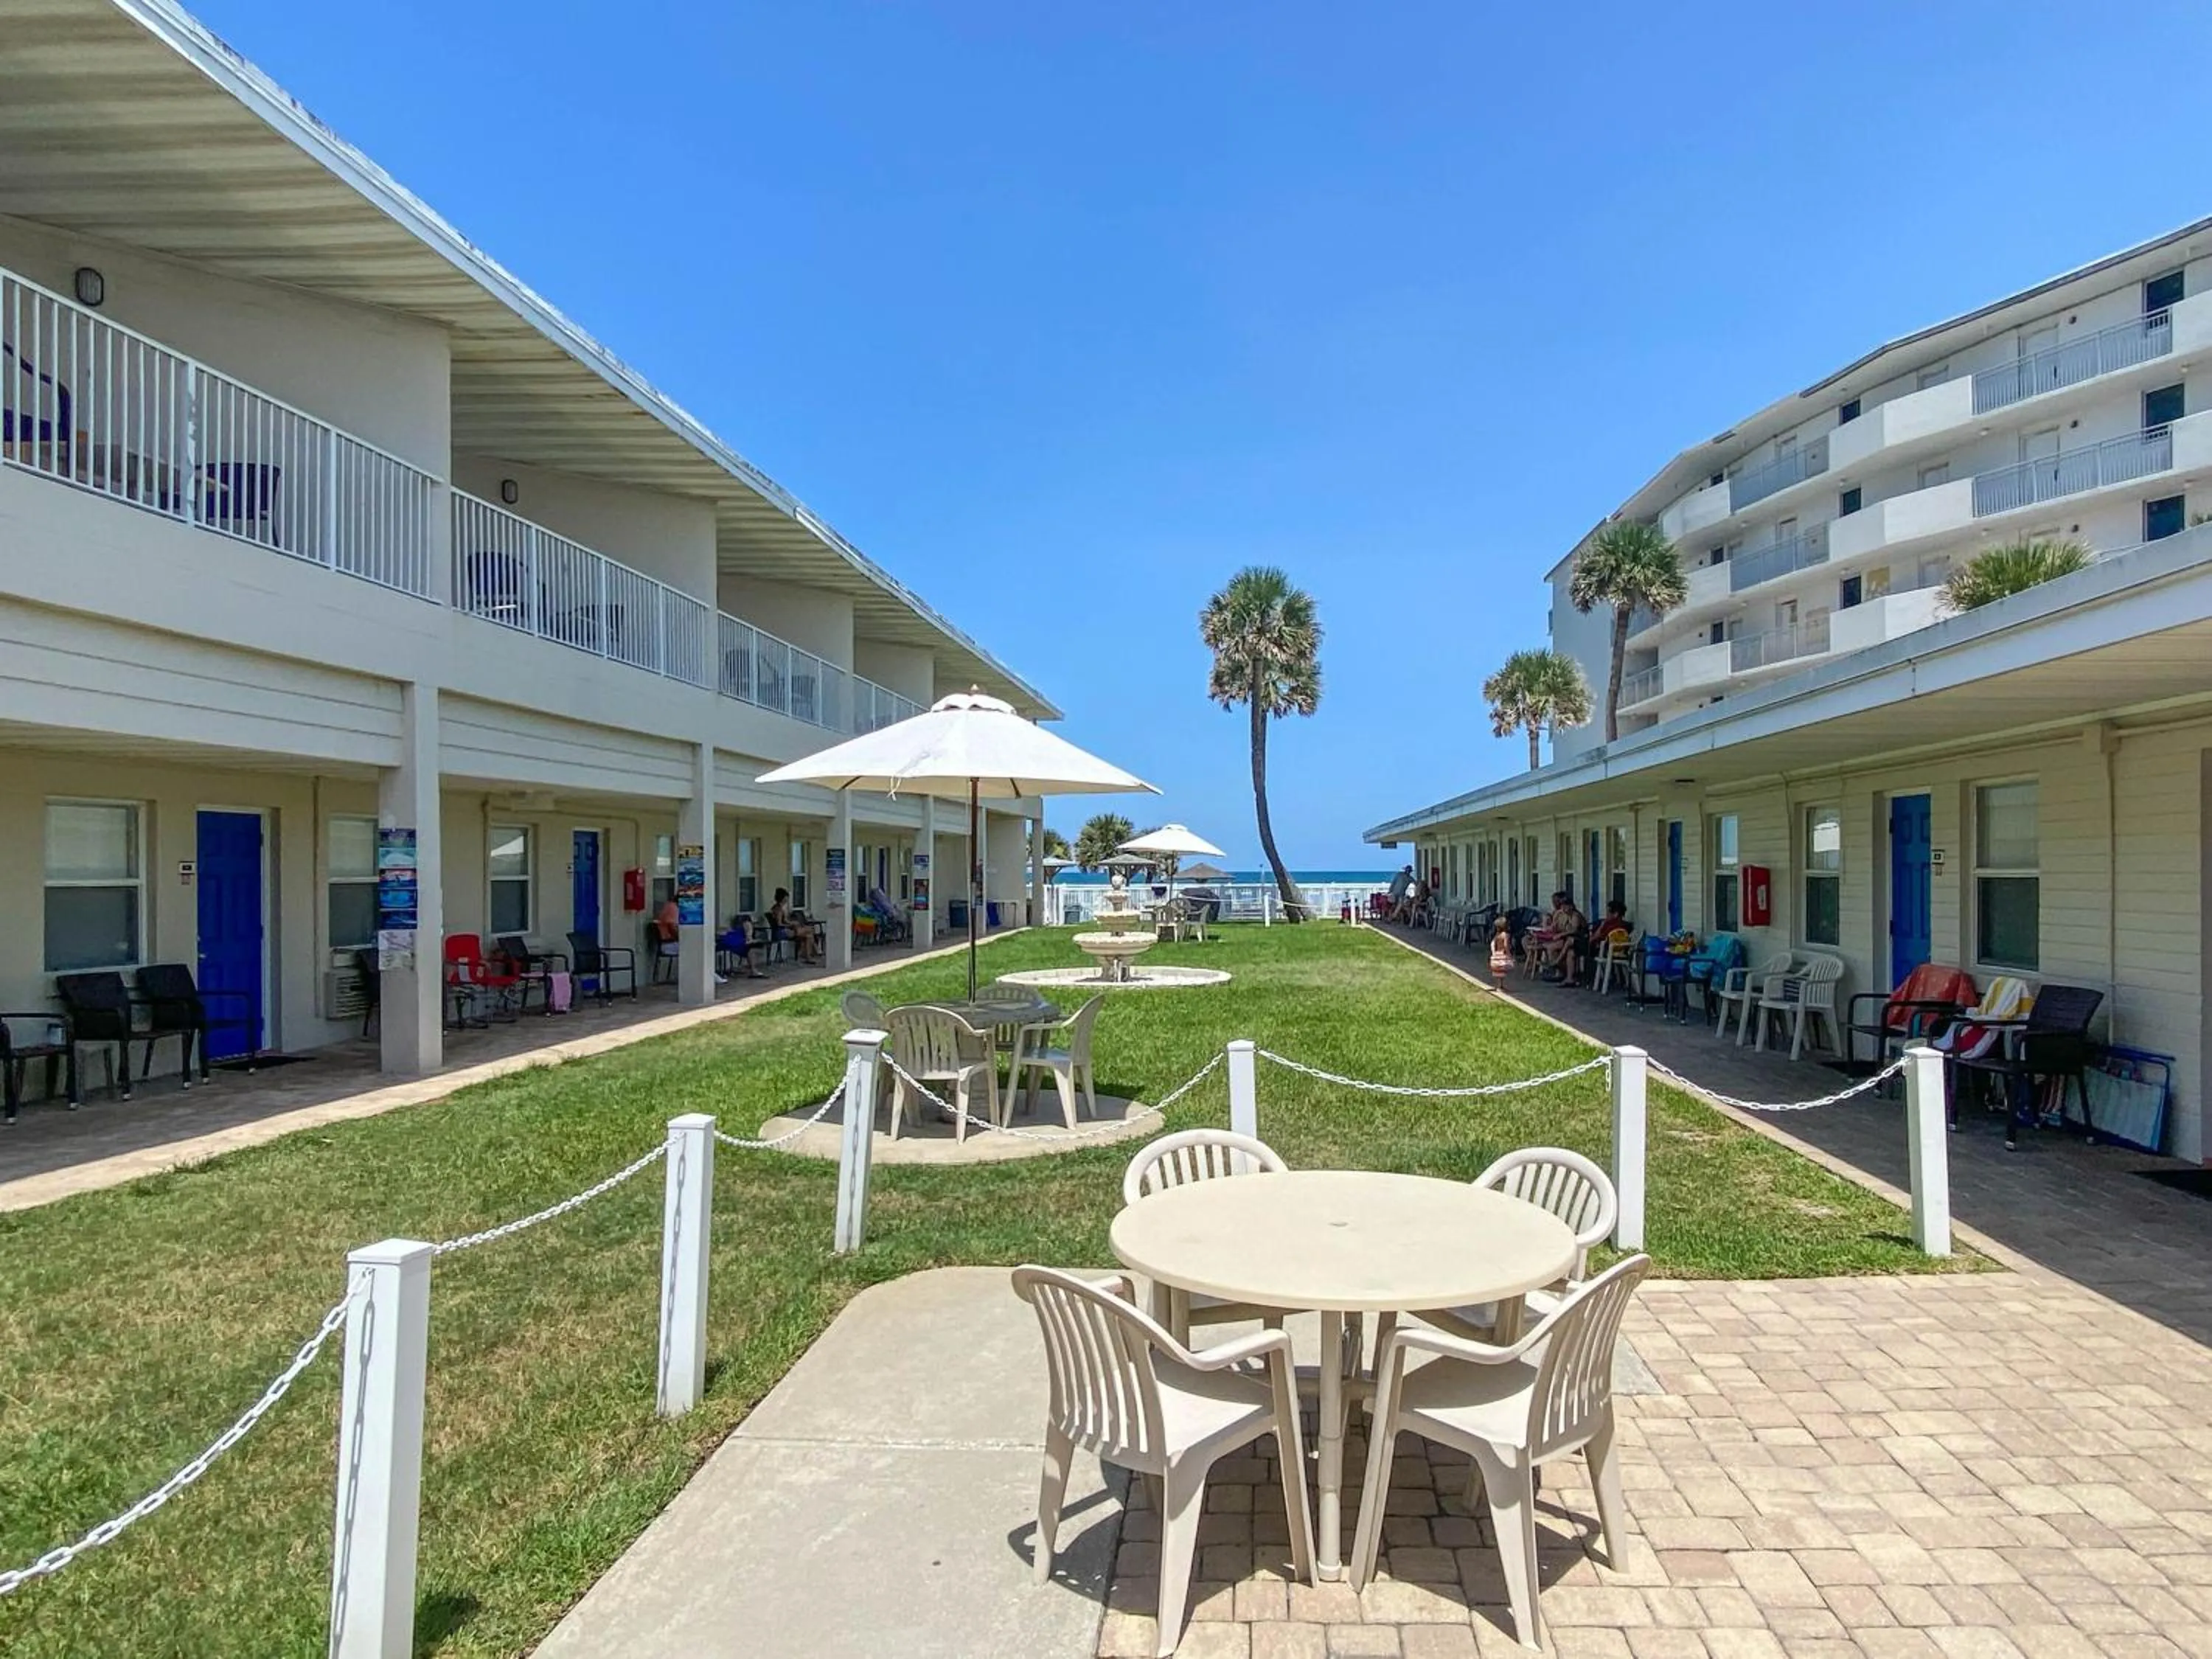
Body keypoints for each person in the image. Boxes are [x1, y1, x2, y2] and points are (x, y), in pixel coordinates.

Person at [1488, 917, 1514, 993]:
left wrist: (1493, 952)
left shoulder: (1497, 935)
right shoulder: (1505, 935)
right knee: (1502, 971)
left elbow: (1492, 943)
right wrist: (1509, 954)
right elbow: (1506, 945)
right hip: (1503, 954)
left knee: (1499, 972)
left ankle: (1500, 986)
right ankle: (1500, 987)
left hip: (1497, 954)